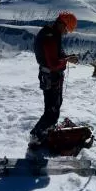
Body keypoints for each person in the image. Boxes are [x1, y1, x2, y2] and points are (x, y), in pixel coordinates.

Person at [29, 11, 79, 146]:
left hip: (50, 77)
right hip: (51, 77)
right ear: (62, 24)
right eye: (67, 29)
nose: (66, 33)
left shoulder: (52, 33)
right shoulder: (50, 37)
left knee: (54, 107)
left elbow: (56, 57)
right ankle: (36, 137)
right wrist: (68, 59)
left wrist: (67, 57)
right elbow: (54, 64)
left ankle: (44, 133)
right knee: (52, 112)